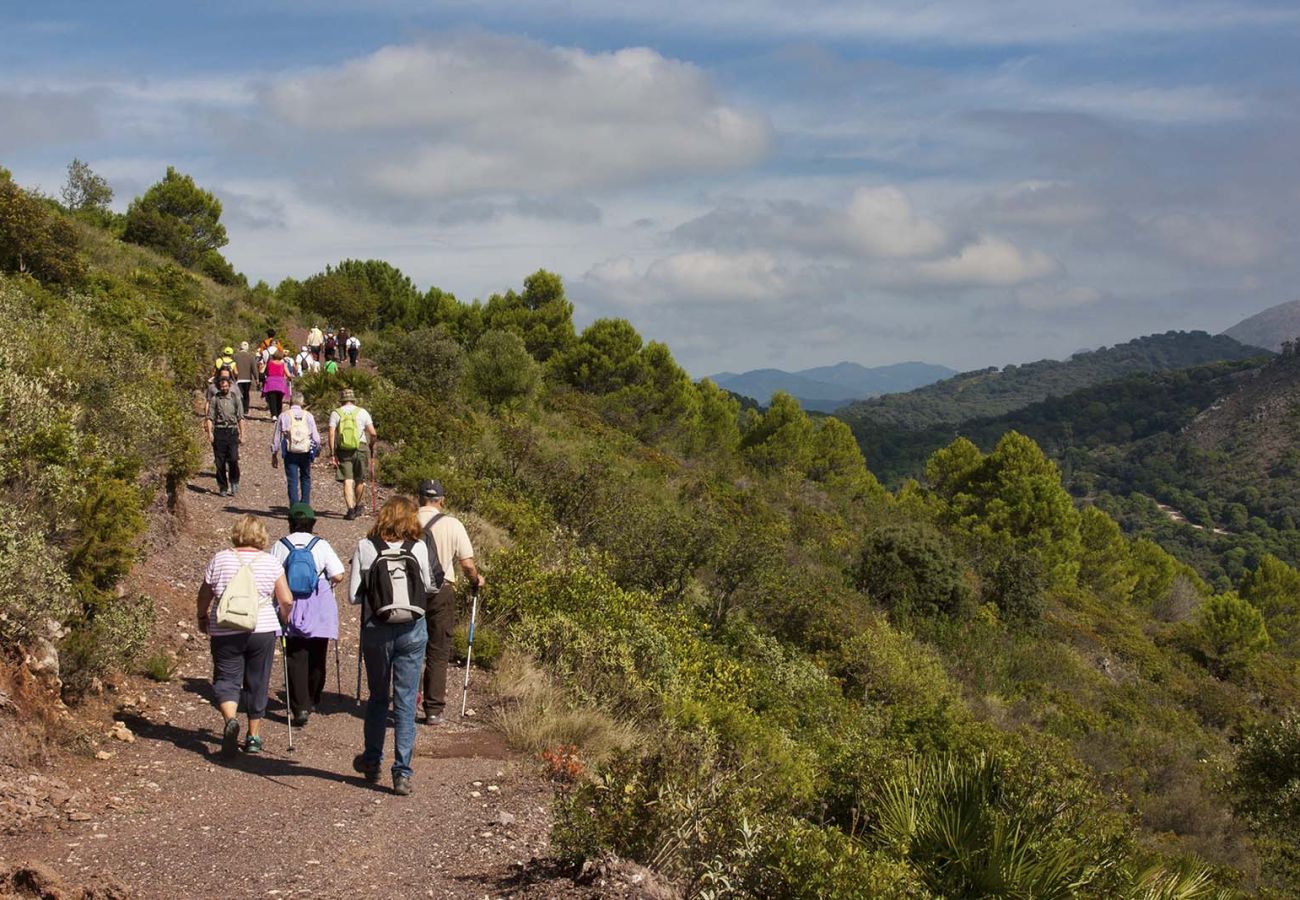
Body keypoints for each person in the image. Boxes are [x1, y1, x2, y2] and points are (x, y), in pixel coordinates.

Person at [349, 496, 433, 795]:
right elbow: (428, 586)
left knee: (377, 698)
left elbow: (353, 597)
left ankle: (372, 761)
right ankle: (402, 773)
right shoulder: (419, 548)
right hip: (412, 629)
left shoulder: (365, 547)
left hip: (377, 629)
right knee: (406, 702)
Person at [195, 515, 293, 757]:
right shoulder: (271, 562)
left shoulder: (220, 559)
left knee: (226, 678)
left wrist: (201, 616)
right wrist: (284, 617)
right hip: (262, 628)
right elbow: (287, 599)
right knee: (257, 681)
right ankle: (253, 736)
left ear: (236, 533)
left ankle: (230, 720)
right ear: (262, 535)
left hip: (226, 627)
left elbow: (205, 594)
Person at [416, 480, 485, 725]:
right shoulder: (452, 524)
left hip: (409, 590)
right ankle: (433, 709)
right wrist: (477, 580)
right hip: (442, 591)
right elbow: (467, 563)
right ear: (441, 500)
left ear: (419, 497)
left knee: (408, 645)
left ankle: (406, 697)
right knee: (438, 649)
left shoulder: (405, 520)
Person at [272, 503, 345, 727]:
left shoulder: (280, 545)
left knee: (295, 656)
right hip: (319, 602)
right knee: (317, 654)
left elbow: (272, 574)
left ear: (291, 523)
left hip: (290, 602)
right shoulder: (321, 545)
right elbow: (339, 574)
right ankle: (313, 698)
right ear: (312, 523)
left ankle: (299, 707)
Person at [328, 389, 376, 520]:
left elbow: (332, 433)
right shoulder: (362, 412)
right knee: (359, 479)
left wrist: (332, 453)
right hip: (361, 447)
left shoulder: (336, 413)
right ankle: (358, 505)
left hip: (344, 450)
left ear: (341, 400)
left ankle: (350, 510)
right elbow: (373, 433)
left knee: (347, 480)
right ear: (353, 399)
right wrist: (371, 445)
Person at [271, 391, 320, 506]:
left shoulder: (284, 416)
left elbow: (277, 436)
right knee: (305, 478)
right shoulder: (308, 416)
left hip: (290, 451)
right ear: (302, 402)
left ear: (290, 401)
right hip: (305, 451)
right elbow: (316, 438)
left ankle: (294, 506)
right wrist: (317, 450)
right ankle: (305, 504)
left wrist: (274, 453)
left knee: (292, 480)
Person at [205, 373, 244, 497]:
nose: (224, 389)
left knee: (233, 458)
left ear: (230, 386)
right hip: (220, 431)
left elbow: (240, 418)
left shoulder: (235, 398)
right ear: (219, 387)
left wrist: (243, 434)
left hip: (232, 431)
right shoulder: (215, 399)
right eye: (222, 387)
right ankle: (222, 485)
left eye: (226, 386)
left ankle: (234, 481)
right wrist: (210, 433)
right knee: (219, 462)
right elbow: (210, 417)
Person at [263, 348, 289, 419]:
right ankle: (278, 414)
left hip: (270, 383)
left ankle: (274, 415)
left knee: (272, 400)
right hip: (280, 383)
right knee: (279, 400)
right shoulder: (283, 364)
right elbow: (288, 374)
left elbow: (264, 371)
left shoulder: (270, 363)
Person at [233, 341, 258, 414]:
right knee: (246, 394)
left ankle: (239, 409)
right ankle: (246, 409)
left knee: (239, 394)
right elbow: (254, 369)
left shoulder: (235, 356)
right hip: (247, 379)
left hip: (238, 378)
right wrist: (256, 378)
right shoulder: (251, 356)